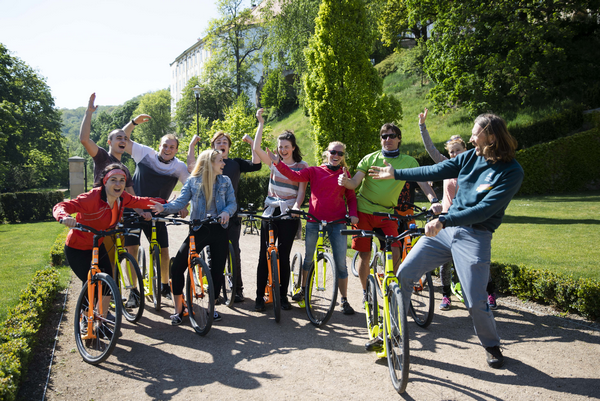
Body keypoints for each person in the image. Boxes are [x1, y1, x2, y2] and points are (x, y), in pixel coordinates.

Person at [369, 113, 524, 368]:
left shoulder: (511, 172)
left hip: (475, 236)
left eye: (476, 133)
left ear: (492, 137)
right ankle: (393, 332)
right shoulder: (470, 156)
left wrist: (444, 221)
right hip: (446, 231)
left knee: (474, 300)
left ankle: (491, 344)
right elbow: (436, 169)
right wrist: (396, 173)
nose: (472, 138)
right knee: (405, 274)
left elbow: (484, 210)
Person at [338, 122, 442, 303]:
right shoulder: (370, 158)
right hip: (364, 211)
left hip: (387, 213)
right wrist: (345, 182)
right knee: (364, 255)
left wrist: (433, 201)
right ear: (380, 140)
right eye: (384, 136)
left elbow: (423, 183)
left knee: (395, 250)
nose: (388, 139)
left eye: (392, 136)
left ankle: (391, 286)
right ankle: (365, 293)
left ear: (399, 139)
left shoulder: (409, 162)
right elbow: (355, 184)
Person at [418, 108, 498, 311]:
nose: (453, 154)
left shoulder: (474, 167)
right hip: (446, 219)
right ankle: (446, 296)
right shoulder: (447, 165)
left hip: (469, 220)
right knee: (446, 262)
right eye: (451, 151)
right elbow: (430, 150)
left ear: (465, 150)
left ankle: (490, 293)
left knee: (476, 259)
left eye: (457, 151)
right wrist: (422, 126)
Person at [267, 141, 359, 315]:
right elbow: (294, 175)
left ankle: (344, 300)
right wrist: (277, 162)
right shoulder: (314, 171)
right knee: (309, 258)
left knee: (341, 263)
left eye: (340, 153)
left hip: (337, 221)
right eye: (333, 152)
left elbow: (351, 197)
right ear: (327, 153)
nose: (336, 156)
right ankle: (303, 289)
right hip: (314, 219)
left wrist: (353, 213)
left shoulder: (345, 174)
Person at [150, 149, 236, 325]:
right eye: (220, 161)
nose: (223, 164)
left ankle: (212, 309)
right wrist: (163, 208)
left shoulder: (225, 181)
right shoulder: (193, 182)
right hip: (199, 229)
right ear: (209, 163)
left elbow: (232, 203)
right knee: (177, 267)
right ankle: (178, 310)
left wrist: (227, 212)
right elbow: (180, 202)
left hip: (219, 228)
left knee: (217, 271)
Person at [187, 110, 263, 302]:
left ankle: (237, 289)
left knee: (233, 251)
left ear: (229, 146)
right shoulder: (206, 164)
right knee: (214, 254)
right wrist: (191, 146)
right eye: (218, 142)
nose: (222, 144)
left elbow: (256, 163)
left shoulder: (235, 163)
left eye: (225, 142)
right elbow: (190, 168)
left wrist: (252, 143)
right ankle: (217, 291)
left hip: (231, 214)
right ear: (213, 146)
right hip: (210, 216)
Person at [53, 164, 164, 284]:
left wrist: (168, 204)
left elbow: (140, 202)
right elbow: (61, 206)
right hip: (77, 248)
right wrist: (64, 217)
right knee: (92, 285)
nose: (118, 184)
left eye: (122, 180)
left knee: (108, 285)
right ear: (105, 182)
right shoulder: (91, 198)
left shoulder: (122, 197)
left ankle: (103, 302)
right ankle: (88, 303)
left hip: (97, 244)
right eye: (113, 180)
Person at [78, 93, 151, 268]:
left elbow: (133, 198)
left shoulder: (125, 170)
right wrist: (89, 112)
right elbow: (84, 139)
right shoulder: (102, 156)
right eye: (119, 137)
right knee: (99, 261)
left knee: (114, 260)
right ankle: (98, 293)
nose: (123, 140)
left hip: (114, 218)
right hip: (97, 215)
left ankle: (114, 294)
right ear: (109, 142)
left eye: (125, 138)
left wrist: (142, 212)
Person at [123, 133, 191, 301]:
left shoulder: (179, 167)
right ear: (159, 145)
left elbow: (191, 187)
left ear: (176, 149)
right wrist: (133, 123)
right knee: (131, 250)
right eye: (165, 146)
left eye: (171, 147)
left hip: (157, 211)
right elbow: (123, 139)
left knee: (164, 251)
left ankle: (164, 286)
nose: (167, 149)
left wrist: (184, 206)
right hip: (133, 209)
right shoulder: (145, 153)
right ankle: (133, 291)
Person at [252, 130, 308, 312]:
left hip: (289, 212)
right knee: (264, 255)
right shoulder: (274, 162)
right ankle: (259, 296)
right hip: (271, 211)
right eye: (280, 146)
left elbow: (301, 192)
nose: (283, 150)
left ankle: (283, 296)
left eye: (286, 146)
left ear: (293, 147)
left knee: (283, 256)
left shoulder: (301, 166)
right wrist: (260, 124)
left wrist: (297, 207)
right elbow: (256, 148)